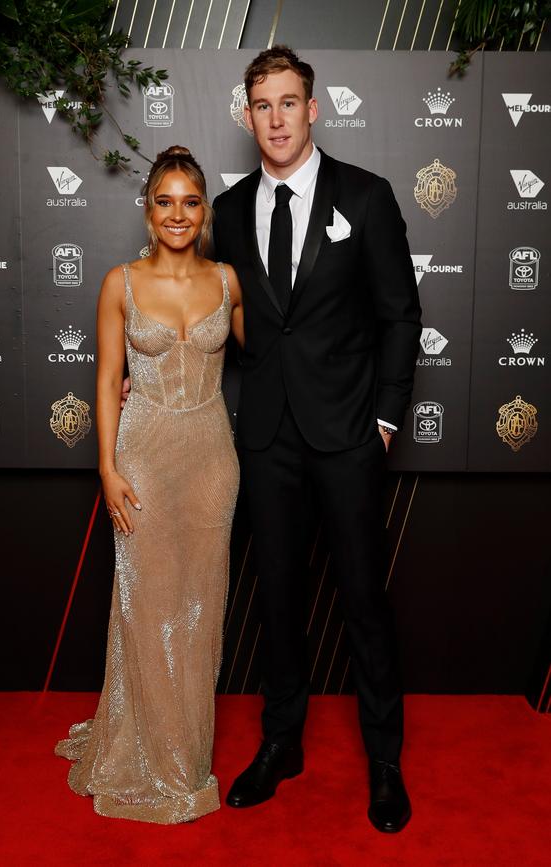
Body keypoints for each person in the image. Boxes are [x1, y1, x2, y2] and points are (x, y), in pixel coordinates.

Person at [212, 47, 422, 833]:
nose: (275, 119)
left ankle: (385, 761)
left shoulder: (365, 198)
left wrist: (386, 419)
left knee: (364, 601)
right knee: (278, 600)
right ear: (247, 114)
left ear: (314, 107)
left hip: (346, 437)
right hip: (267, 438)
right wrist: (138, 364)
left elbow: (402, 315)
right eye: (261, 105)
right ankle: (281, 745)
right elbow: (201, 306)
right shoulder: (229, 211)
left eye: (288, 103)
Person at [55, 146, 243, 824]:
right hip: (145, 459)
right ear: (148, 208)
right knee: (147, 607)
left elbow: (281, 357)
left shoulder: (228, 281)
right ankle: (153, 758)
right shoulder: (120, 283)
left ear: (205, 211)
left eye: (190, 202)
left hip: (213, 460)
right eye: (165, 201)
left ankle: (188, 757)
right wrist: (108, 467)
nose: (177, 214)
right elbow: (107, 381)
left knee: (200, 615)